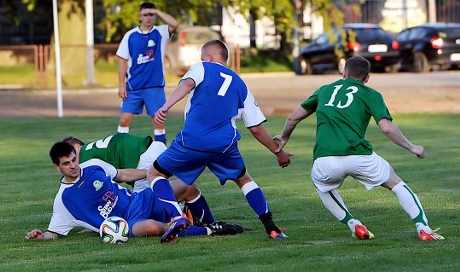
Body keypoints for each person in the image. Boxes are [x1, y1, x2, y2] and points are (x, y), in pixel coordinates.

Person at [275, 55, 444, 241]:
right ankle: (423, 228)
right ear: (367, 78)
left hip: (325, 159)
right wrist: (411, 147)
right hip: (359, 156)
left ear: (344, 72)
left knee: (323, 188)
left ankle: (353, 224)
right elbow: (387, 128)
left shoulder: (324, 90)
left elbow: (293, 118)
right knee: (396, 184)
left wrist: (284, 138)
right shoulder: (371, 94)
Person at [147, 39, 293, 241]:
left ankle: (176, 217)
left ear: (210, 56)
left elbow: (187, 83)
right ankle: (272, 229)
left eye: (202, 57)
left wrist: (166, 106)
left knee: (155, 173)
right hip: (224, 145)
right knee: (244, 180)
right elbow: (256, 128)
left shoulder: (202, 68)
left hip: (193, 141)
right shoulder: (241, 84)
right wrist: (278, 152)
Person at [25, 141, 240, 243]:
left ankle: (210, 223)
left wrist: (151, 173)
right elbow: (53, 233)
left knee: (187, 187)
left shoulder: (93, 166)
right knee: (154, 227)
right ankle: (209, 232)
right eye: (66, 164)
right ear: (57, 167)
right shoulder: (63, 201)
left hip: (139, 199)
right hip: (126, 224)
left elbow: (122, 175)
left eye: (74, 159)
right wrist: (39, 236)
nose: (73, 165)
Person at [62, 133, 239, 230]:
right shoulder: (92, 149)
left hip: (142, 159)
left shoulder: (84, 161)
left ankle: (184, 221)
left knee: (142, 207)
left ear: (76, 148)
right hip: (154, 147)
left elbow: (104, 188)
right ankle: (203, 221)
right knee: (157, 197)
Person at [116, 2, 179, 144]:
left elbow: (175, 24)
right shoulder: (130, 36)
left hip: (154, 86)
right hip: (133, 87)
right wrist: (121, 85)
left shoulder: (160, 32)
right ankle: (119, 149)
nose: (148, 18)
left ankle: (160, 153)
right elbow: (122, 61)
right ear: (140, 16)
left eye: (151, 14)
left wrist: (158, 12)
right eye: (146, 14)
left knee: (158, 122)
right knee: (124, 120)